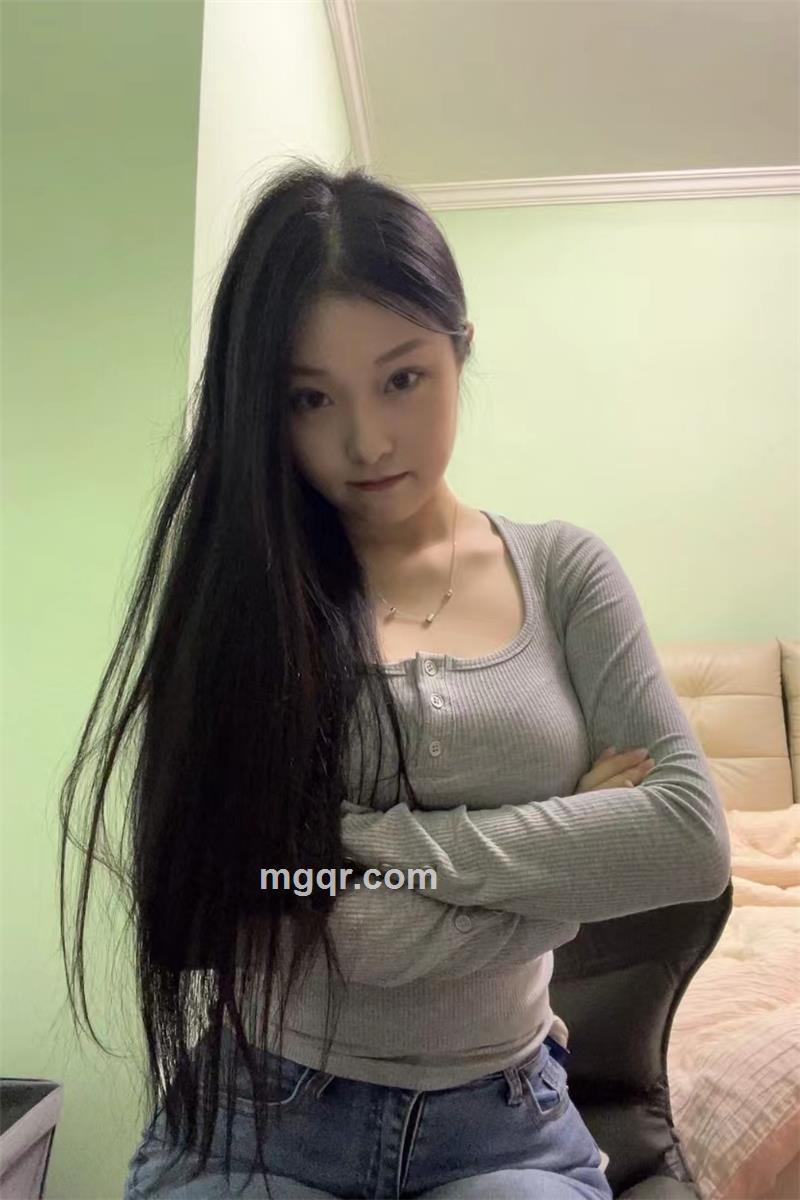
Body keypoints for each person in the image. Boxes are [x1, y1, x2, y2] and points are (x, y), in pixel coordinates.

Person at [58, 158, 730, 1199]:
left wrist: (365, 845)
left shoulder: (564, 573)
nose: (365, 440)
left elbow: (687, 840)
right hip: (259, 1121)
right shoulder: (242, 600)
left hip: (506, 1127)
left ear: (460, 349)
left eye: (401, 379)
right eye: (309, 398)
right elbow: (315, 928)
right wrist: (568, 844)